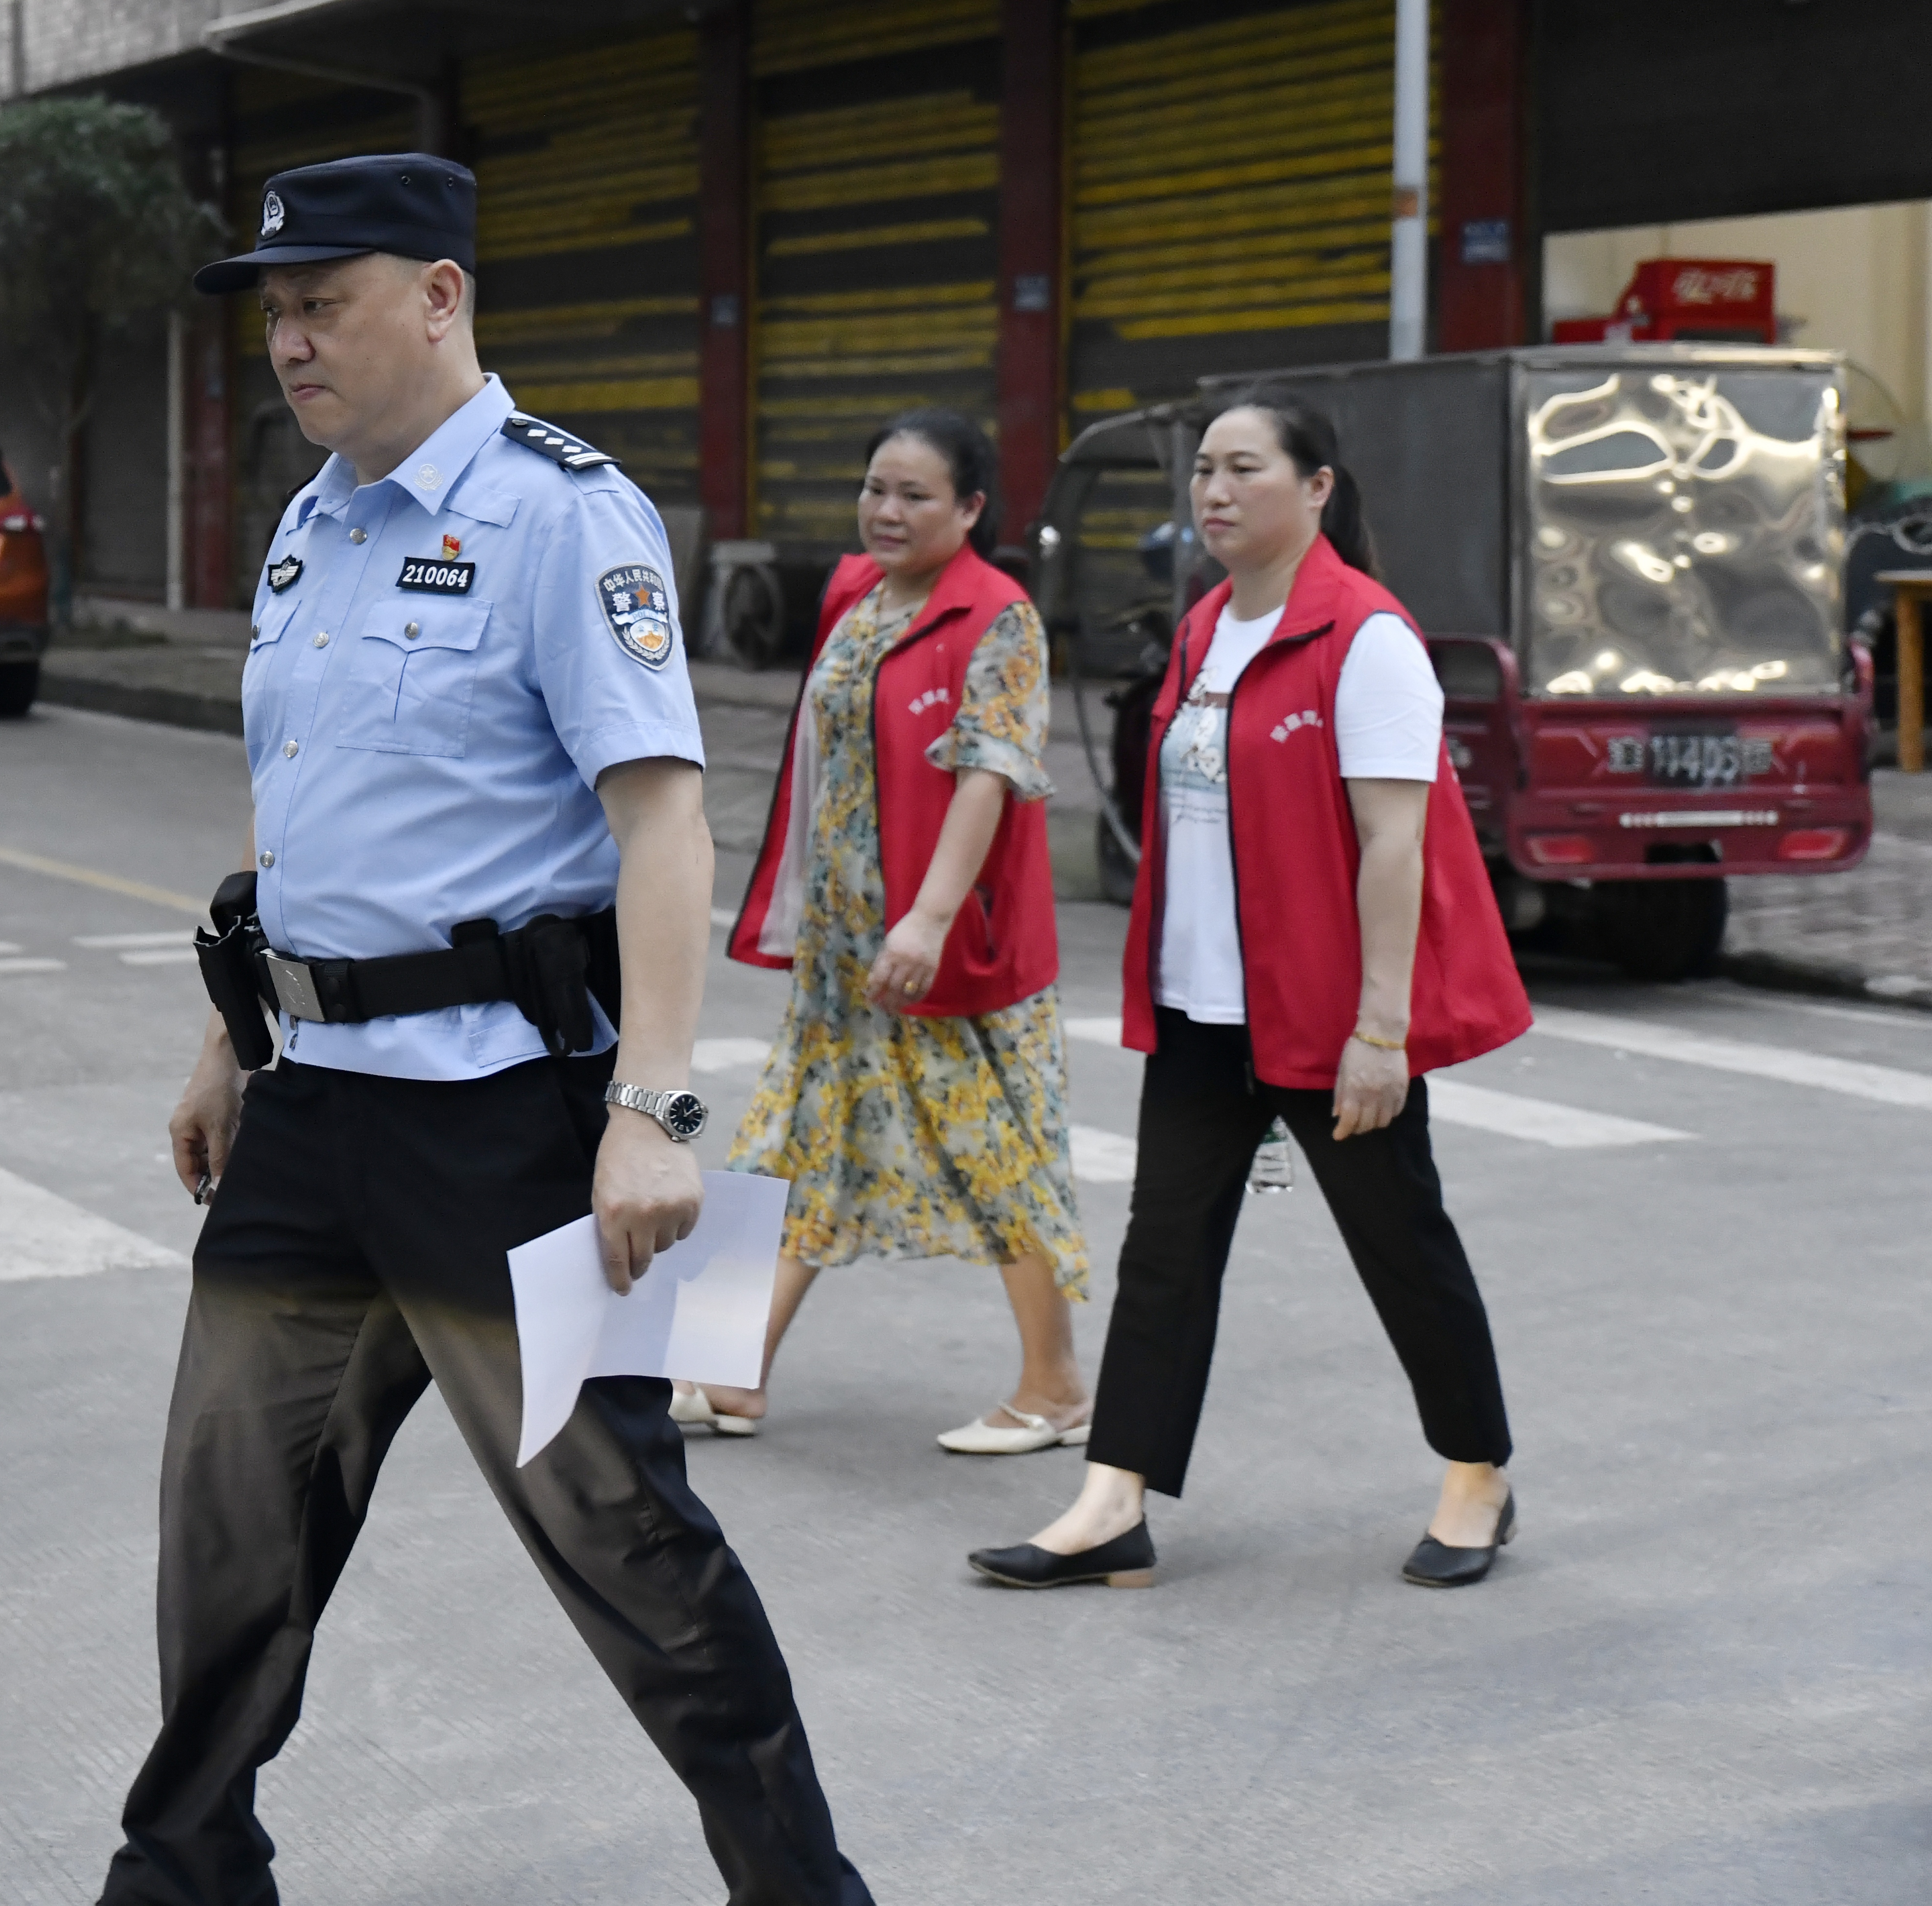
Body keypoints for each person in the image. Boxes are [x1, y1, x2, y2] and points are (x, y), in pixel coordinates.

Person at [105, 154, 874, 1906]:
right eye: (276, 311)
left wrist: (653, 1106)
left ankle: (802, 1888)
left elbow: (662, 821)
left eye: (323, 301)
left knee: (633, 1544)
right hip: (315, 1111)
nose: (287, 339)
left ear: (439, 296)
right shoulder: (313, 513)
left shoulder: (561, 514)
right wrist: (233, 1031)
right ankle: (182, 1870)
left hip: (515, 1120)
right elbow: (293, 800)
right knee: (228, 1528)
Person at [966, 386, 1534, 1595]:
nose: (1214, 493)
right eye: (1203, 473)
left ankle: (1477, 1470)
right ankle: (1112, 1497)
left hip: (1330, 1021)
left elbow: (1399, 847)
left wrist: (1381, 1032)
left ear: (1317, 486)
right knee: (1164, 1251)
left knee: (1400, 1244)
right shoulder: (1206, 626)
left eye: (1244, 469)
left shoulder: (1366, 636)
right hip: (1201, 1011)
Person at [704, 409, 1089, 1452]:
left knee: (995, 1155)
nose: (886, 511)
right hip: (845, 952)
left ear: (970, 509)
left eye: (915, 496)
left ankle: (1055, 1388)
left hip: (942, 952)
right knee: (790, 1146)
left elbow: (990, 774)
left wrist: (925, 918)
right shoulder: (856, 599)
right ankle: (730, 1370)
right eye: (876, 488)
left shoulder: (998, 618)